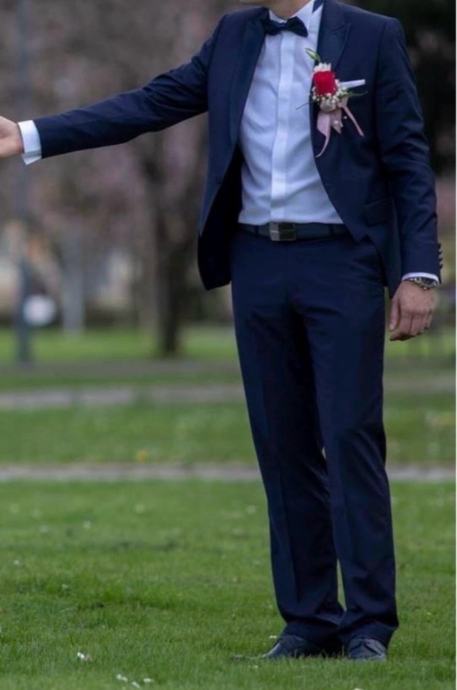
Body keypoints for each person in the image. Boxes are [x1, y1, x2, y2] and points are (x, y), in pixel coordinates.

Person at [0, 0, 442, 663]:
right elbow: (149, 104)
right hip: (257, 261)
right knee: (282, 444)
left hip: (342, 260)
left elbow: (407, 160)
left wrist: (418, 272)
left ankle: (369, 625)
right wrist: (30, 135)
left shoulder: (372, 36)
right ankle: (308, 621)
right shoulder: (234, 35)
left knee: (349, 437)